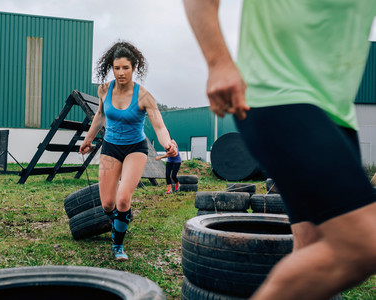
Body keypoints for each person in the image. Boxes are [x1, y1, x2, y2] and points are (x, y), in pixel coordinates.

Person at [183, 1, 376, 299]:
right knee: (365, 244)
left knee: (312, 250)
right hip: (278, 95)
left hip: (337, 115)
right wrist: (218, 62)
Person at [79, 41, 177, 261]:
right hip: (110, 148)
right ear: (111, 68)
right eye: (117, 68)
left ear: (134, 68)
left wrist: (168, 143)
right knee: (107, 204)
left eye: (125, 68)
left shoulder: (144, 96)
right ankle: (123, 218)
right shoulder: (104, 89)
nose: (121, 72)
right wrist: (88, 139)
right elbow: (100, 116)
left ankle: (118, 245)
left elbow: (159, 125)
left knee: (123, 200)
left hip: (135, 148)